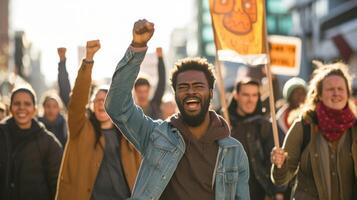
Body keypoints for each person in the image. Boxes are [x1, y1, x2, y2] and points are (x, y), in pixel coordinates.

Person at [105, 19, 249, 200]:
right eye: (183, 87)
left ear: (211, 93)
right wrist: (137, 47)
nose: (190, 92)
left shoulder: (234, 152)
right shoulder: (155, 136)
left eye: (198, 86)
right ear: (174, 94)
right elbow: (117, 106)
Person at [55, 40, 141, 200]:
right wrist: (88, 59)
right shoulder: (80, 128)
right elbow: (77, 101)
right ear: (92, 105)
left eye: (107, 100)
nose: (102, 103)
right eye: (98, 100)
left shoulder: (128, 134)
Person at [271, 61, 357, 200]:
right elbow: (281, 179)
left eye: (340, 89)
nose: (336, 93)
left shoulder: (355, 127)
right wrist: (280, 164)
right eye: (330, 89)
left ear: (347, 94)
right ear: (319, 95)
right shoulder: (303, 126)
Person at [0, 85, 63, 200]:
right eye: (17, 103)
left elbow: (58, 184)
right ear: (10, 108)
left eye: (27, 104)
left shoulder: (48, 142)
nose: (21, 108)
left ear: (35, 109)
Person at [228, 78, 279, 199]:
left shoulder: (264, 125)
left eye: (255, 95)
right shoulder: (223, 123)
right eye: (246, 95)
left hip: (259, 191)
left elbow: (273, 160)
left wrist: (277, 191)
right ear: (236, 95)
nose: (250, 100)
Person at [134, 47, 166, 119]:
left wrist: (160, 59)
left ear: (149, 90)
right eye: (140, 91)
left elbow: (161, 84)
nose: (142, 95)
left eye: (145, 91)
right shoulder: (131, 109)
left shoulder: (155, 105)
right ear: (135, 91)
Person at [276, 77, 307, 145]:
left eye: (302, 93)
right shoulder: (277, 120)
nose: (300, 96)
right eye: (296, 93)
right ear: (289, 96)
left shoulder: (311, 117)